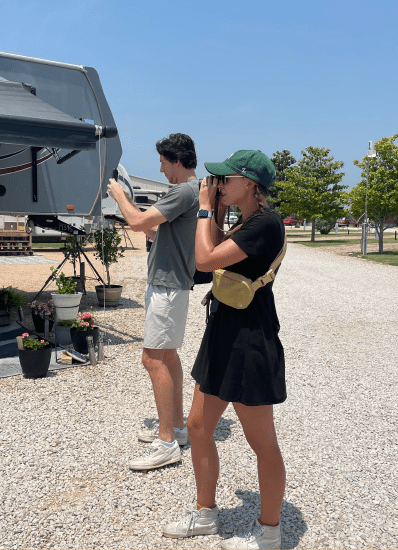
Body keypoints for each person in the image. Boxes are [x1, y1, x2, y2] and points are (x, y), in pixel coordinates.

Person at [162, 150, 287, 549]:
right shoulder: (247, 222)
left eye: (224, 179)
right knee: (198, 425)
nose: (216, 184)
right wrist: (214, 211)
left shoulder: (266, 224)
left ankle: (269, 532)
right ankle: (205, 513)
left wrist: (202, 209)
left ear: (250, 183)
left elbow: (204, 256)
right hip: (222, 336)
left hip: (249, 342)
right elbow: (208, 265)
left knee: (262, 442)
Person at [107, 133, 201, 470]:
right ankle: (177, 429)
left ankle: (166, 444)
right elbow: (157, 229)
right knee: (168, 355)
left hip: (167, 287)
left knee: (152, 359)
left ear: (176, 159)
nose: (160, 168)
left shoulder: (185, 190)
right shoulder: (191, 191)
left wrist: (118, 193)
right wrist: (153, 231)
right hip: (172, 286)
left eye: (162, 161)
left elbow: (136, 221)